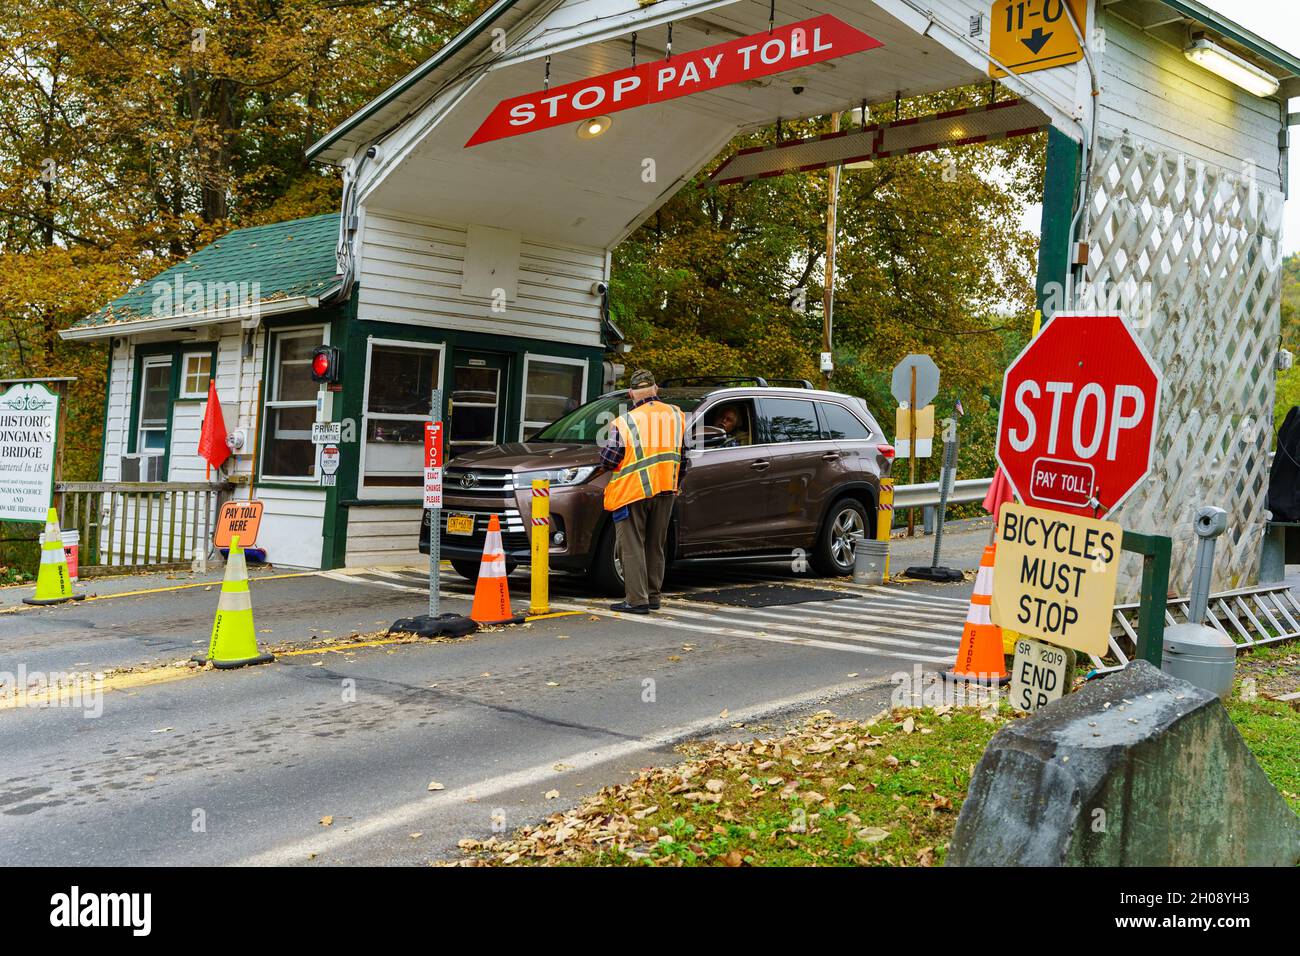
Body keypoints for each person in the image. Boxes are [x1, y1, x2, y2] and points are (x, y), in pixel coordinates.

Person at [598, 369, 688, 614]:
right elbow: (683, 456)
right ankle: (653, 595)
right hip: (666, 489)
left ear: (631, 394)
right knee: (655, 545)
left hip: (633, 491)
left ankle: (637, 600)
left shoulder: (626, 421)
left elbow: (610, 458)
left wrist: (601, 457)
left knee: (631, 546)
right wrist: (677, 482)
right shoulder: (676, 415)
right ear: (656, 390)